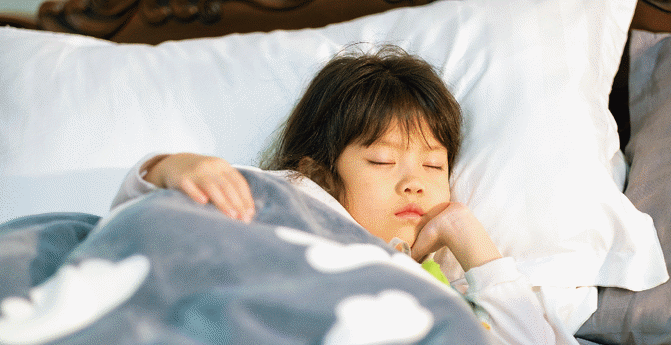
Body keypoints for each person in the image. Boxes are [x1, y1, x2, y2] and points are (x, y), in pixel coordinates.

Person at [112, 46, 560, 344]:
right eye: (383, 161)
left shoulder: (440, 282)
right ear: (320, 174)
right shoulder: (287, 200)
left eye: (433, 165)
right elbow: (145, 234)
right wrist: (170, 167)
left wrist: (469, 237)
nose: (414, 183)